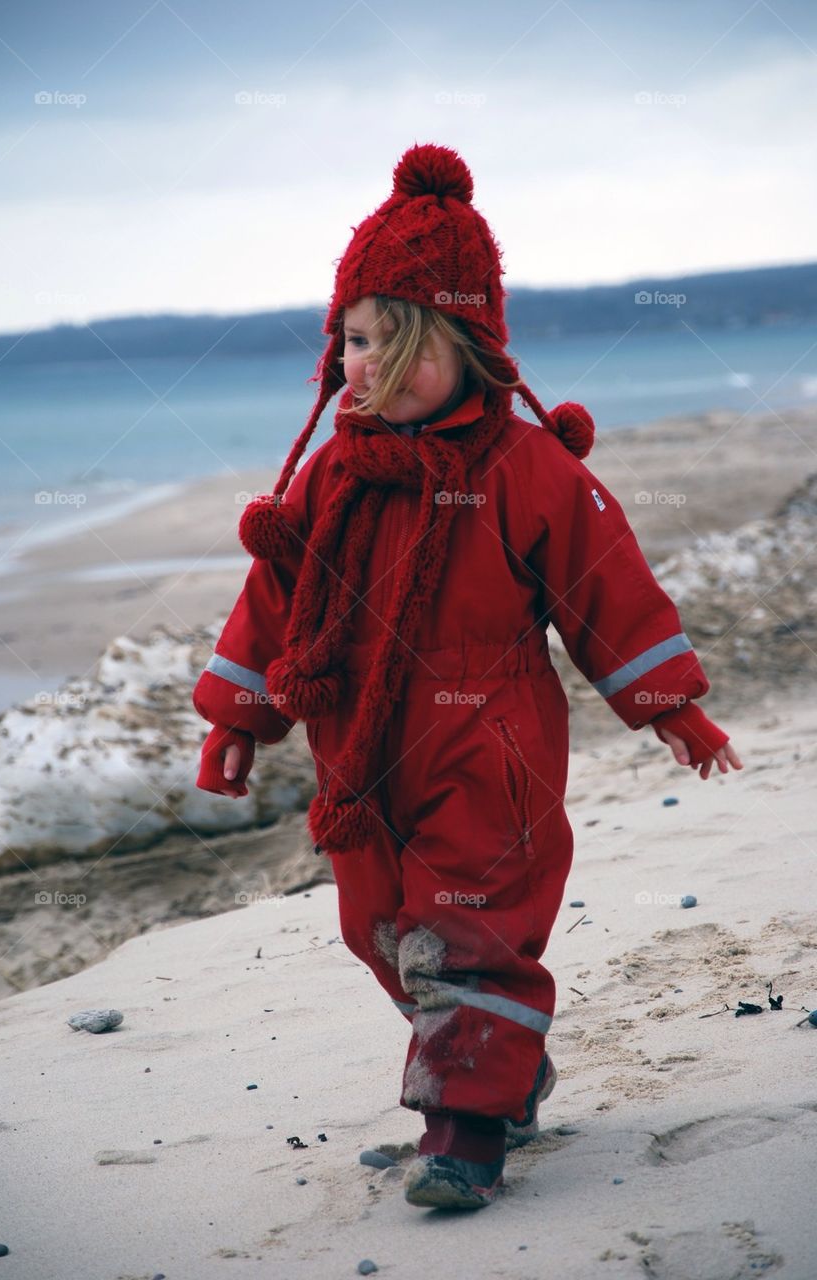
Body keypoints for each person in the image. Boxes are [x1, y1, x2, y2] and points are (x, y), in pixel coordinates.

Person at [191, 142, 743, 1211]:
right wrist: (239, 717)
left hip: (486, 747)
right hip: (358, 752)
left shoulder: (524, 465)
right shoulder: (331, 473)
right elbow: (276, 595)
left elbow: (604, 580)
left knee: (466, 925)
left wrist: (669, 701)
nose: (366, 368)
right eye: (352, 340)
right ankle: (501, 1067)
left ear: (468, 347)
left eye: (395, 347)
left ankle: (464, 1134)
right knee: (383, 931)